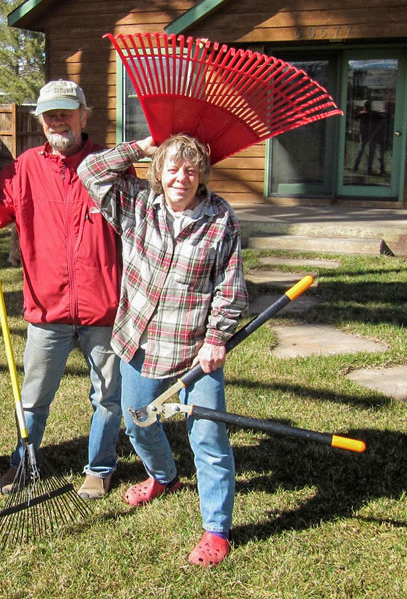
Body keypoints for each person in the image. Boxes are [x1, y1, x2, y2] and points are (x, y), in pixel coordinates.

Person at [78, 133, 248, 567]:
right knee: (138, 421)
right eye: (172, 167)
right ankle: (164, 477)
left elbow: (230, 288)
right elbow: (89, 171)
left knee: (208, 437)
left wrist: (216, 338)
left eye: (191, 169)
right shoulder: (137, 204)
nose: (181, 177)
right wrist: (144, 145)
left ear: (202, 174)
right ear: (158, 170)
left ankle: (216, 530)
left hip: (196, 353)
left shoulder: (219, 218)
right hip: (140, 343)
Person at [0, 80, 124, 500]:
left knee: (107, 398)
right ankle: (23, 464)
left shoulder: (110, 164)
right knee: (33, 398)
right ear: (41, 122)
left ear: (84, 115)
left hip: (105, 308)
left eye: (65, 112)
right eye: (50, 114)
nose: (57, 120)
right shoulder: (25, 167)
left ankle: (100, 467)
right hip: (47, 308)